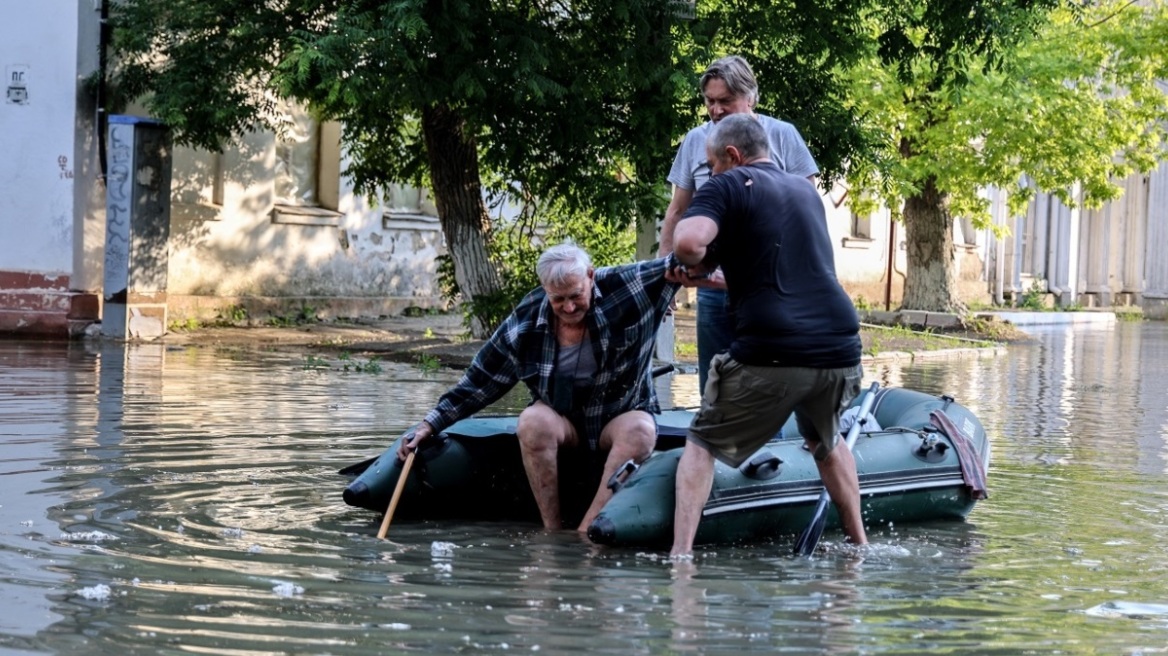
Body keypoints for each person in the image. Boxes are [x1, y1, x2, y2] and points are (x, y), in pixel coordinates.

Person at [667, 114, 866, 557]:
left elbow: (690, 241)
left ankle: (680, 560)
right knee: (824, 441)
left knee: (701, 442)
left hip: (773, 350)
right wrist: (714, 275)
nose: (711, 173)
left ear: (733, 156)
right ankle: (860, 546)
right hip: (840, 348)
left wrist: (686, 254)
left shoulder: (729, 184)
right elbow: (779, 268)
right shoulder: (804, 191)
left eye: (712, 164)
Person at [398, 242, 680, 532]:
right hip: (563, 421)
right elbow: (480, 381)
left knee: (641, 430)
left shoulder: (627, 284)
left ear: (591, 277)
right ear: (544, 289)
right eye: (559, 299)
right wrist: (429, 425)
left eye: (576, 296)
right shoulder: (525, 321)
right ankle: (552, 532)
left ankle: (587, 532)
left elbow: (685, 261)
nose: (569, 307)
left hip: (620, 415)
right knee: (532, 420)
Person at [658, 55, 820, 393]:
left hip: (769, 286)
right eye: (710, 101)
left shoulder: (783, 136)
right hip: (713, 286)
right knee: (715, 385)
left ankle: (768, 444)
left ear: (750, 97)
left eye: (725, 101)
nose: (715, 110)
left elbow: (806, 210)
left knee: (767, 384)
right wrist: (664, 276)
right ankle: (714, 441)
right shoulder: (694, 140)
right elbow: (677, 212)